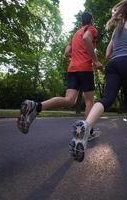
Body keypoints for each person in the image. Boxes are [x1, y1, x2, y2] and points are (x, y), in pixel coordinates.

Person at [70, 0, 127, 161]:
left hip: (113, 64)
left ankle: (86, 125)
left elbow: (107, 54)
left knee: (107, 98)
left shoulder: (115, 30)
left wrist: (119, 56)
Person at [17, 12, 102, 140]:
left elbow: (66, 52)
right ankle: (88, 132)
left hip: (72, 69)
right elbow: (86, 38)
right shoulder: (91, 29)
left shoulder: (74, 35)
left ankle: (36, 106)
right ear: (91, 20)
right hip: (85, 68)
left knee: (69, 100)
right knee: (90, 100)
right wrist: (95, 60)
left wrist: (77, 55)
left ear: (81, 21)